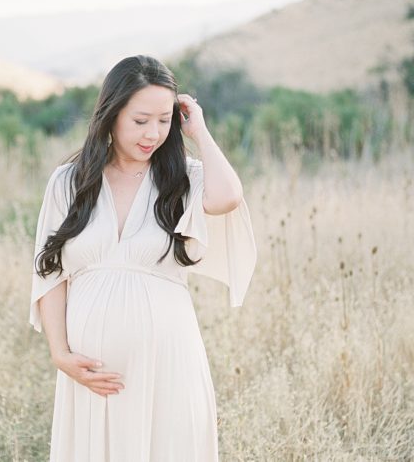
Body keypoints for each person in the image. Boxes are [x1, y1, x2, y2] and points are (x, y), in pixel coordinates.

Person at [29, 55, 257, 461]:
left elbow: (228, 197)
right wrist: (60, 354)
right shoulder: (70, 181)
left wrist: (199, 130)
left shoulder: (181, 179)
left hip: (168, 363)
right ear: (111, 115)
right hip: (95, 374)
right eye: (140, 120)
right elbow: (51, 273)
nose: (153, 133)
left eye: (164, 120)